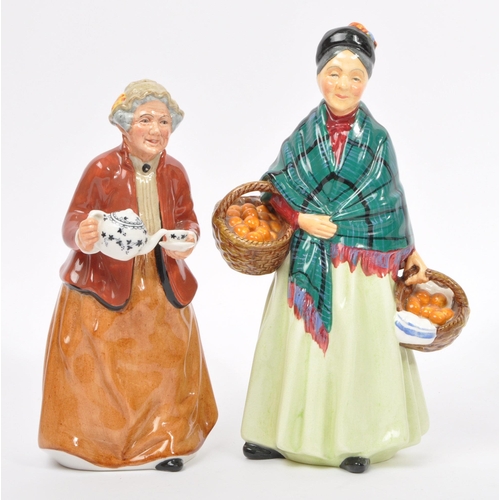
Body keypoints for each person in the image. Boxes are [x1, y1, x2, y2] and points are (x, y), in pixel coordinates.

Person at [240, 23, 429, 473]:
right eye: (334, 73)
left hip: (357, 264)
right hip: (307, 252)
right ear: (319, 75)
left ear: (367, 82)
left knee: (357, 343)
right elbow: (275, 187)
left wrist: (410, 251)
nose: (343, 85)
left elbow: (390, 200)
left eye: (355, 77)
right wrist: (300, 219)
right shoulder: (304, 133)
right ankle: (279, 431)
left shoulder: (376, 138)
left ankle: (358, 437)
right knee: (295, 345)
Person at [39, 79, 217, 472]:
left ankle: (166, 438)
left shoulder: (175, 172)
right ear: (124, 125)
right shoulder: (102, 169)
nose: (156, 130)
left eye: (164, 122)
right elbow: (73, 220)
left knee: (170, 353)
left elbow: (187, 218)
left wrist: (188, 238)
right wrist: (83, 235)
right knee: (97, 357)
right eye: (145, 120)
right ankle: (93, 443)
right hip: (105, 277)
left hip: (159, 273)